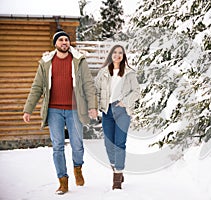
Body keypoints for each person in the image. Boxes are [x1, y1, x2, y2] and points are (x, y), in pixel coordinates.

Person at [23, 29, 98, 195]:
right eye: (61, 40)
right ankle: (63, 181)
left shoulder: (79, 61)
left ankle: (77, 168)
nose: (64, 42)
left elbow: (88, 84)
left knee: (77, 145)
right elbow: (37, 87)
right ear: (55, 44)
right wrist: (28, 109)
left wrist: (92, 106)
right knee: (57, 146)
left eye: (66, 40)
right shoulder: (46, 63)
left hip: (74, 109)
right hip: (54, 110)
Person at [94, 44, 140, 189]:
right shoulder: (103, 72)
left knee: (119, 143)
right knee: (109, 144)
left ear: (123, 55)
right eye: (115, 52)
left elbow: (136, 91)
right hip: (107, 111)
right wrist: (95, 108)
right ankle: (116, 168)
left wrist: (124, 102)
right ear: (111, 55)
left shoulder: (129, 73)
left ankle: (117, 179)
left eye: (120, 53)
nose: (117, 55)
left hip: (122, 111)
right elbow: (96, 91)